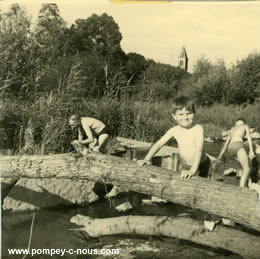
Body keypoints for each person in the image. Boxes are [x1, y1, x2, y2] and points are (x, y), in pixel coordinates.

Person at [137, 96, 211, 180]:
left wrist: (192, 170)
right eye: (180, 114)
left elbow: (199, 150)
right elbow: (159, 143)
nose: (185, 117)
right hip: (185, 165)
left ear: (194, 113)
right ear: (174, 116)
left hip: (202, 164)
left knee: (202, 184)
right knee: (184, 183)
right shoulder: (174, 130)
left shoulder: (198, 129)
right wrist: (147, 158)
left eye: (189, 113)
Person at [217, 118, 255, 188]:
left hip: (230, 147)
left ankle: (248, 183)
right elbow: (249, 136)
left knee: (241, 166)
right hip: (238, 145)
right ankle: (241, 188)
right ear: (243, 123)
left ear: (236, 123)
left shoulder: (232, 129)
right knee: (247, 169)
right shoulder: (245, 125)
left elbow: (225, 146)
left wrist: (219, 157)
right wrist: (251, 150)